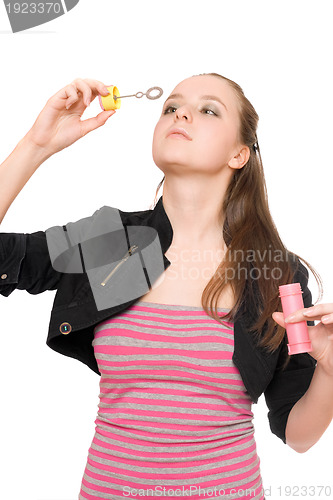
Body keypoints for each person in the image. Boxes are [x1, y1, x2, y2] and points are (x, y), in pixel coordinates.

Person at [1, 74, 333, 500]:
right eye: (171, 107)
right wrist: (37, 145)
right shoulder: (110, 242)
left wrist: (328, 371)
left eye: (209, 109)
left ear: (239, 154)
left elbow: (299, 434)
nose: (181, 113)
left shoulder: (274, 273)